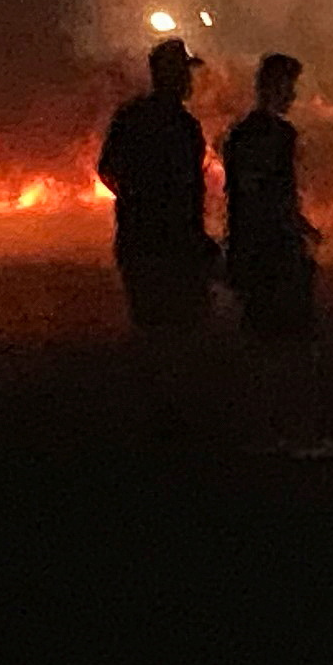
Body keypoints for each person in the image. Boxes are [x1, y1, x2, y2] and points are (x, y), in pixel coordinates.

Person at [220, 52, 333, 459]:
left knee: (259, 344)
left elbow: (242, 197)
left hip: (250, 250)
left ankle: (264, 433)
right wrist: (296, 234)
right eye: (289, 87)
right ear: (274, 86)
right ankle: (302, 436)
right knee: (297, 345)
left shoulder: (239, 135)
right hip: (275, 253)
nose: (292, 95)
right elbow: (273, 197)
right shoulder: (277, 136)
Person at [97, 36, 217, 423]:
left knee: (152, 326)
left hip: (139, 238)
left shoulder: (130, 117)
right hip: (176, 243)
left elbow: (107, 170)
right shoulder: (183, 127)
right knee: (182, 326)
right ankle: (178, 409)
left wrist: (134, 202)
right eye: (184, 73)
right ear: (171, 75)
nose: (190, 81)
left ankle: (158, 408)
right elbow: (189, 191)